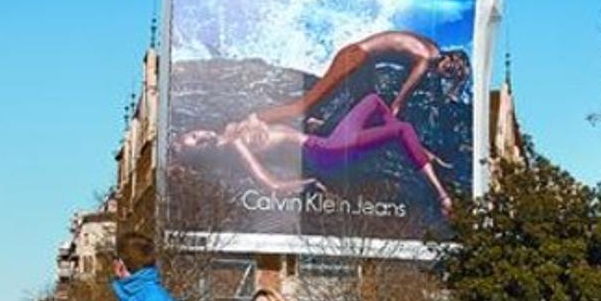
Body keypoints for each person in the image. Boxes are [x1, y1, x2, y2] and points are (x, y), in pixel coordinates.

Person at [175, 92, 454, 214]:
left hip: (323, 140)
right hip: (325, 152)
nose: (200, 137)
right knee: (401, 129)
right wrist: (306, 184)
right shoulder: (234, 146)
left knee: (373, 101)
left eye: (194, 134)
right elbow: (270, 182)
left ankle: (413, 148)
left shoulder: (232, 129)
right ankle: (441, 194)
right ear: (201, 154)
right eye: (195, 143)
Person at [252, 30, 471, 124]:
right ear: (449, 59)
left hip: (364, 65)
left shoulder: (432, 48)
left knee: (361, 105)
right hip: (356, 57)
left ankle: (322, 128)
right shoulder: (426, 58)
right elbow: (399, 100)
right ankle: (250, 120)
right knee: (302, 107)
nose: (445, 77)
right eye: (449, 73)